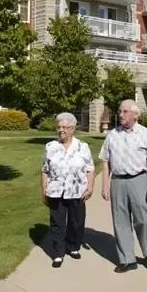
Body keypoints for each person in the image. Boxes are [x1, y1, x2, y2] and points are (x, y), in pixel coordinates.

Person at [99, 99, 147, 273]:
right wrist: (105, 185)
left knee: (143, 219)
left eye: (125, 111)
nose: (121, 114)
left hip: (138, 179)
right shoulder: (112, 135)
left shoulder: (145, 134)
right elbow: (105, 162)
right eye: (120, 111)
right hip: (117, 181)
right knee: (120, 221)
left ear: (135, 114)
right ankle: (127, 259)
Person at [41, 112, 95, 268]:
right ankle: (58, 252)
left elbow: (90, 169)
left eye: (65, 127)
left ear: (73, 129)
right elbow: (45, 170)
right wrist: (43, 190)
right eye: (59, 127)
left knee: (76, 222)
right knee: (57, 222)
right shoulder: (50, 147)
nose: (61, 130)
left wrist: (90, 188)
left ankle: (73, 246)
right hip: (56, 191)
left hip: (77, 190)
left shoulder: (82, 147)